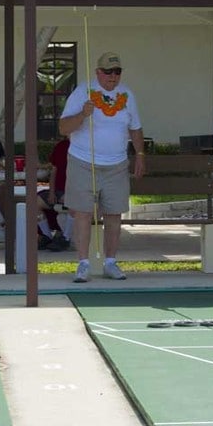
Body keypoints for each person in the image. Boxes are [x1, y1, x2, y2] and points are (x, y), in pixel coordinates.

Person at [59, 51, 145, 282]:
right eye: (108, 71)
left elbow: (135, 128)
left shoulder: (127, 94)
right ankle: (83, 263)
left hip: (116, 164)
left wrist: (140, 154)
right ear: (98, 72)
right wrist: (82, 114)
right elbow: (63, 128)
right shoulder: (82, 93)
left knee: (114, 214)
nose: (112, 76)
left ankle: (111, 262)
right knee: (83, 214)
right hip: (83, 161)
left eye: (117, 71)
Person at [37, 137, 71, 251]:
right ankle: (47, 236)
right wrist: (51, 192)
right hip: (58, 191)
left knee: (74, 205)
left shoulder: (85, 147)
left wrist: (69, 192)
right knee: (35, 202)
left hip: (76, 191)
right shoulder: (61, 145)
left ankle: (65, 238)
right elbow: (54, 170)